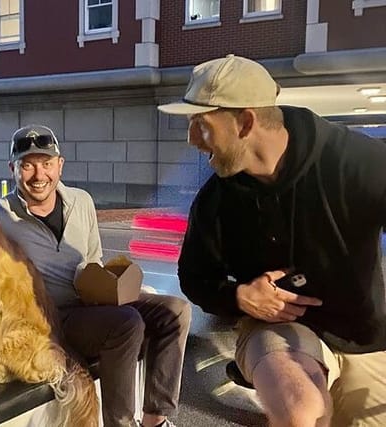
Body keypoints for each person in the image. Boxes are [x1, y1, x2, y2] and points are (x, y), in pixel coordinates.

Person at [158, 54, 386, 426]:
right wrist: (239, 297)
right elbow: (194, 278)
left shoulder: (355, 161)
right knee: (300, 411)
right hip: (272, 328)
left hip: (366, 333)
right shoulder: (216, 201)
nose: (191, 140)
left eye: (201, 124)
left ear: (245, 122)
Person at [0, 124, 191, 427]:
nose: (39, 175)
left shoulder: (81, 201)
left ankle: (154, 420)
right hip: (52, 320)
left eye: (47, 164)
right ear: (13, 169)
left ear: (60, 165)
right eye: (27, 166)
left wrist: (109, 287)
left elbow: (93, 259)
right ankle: (119, 424)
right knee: (126, 324)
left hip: (92, 304)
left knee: (175, 311)